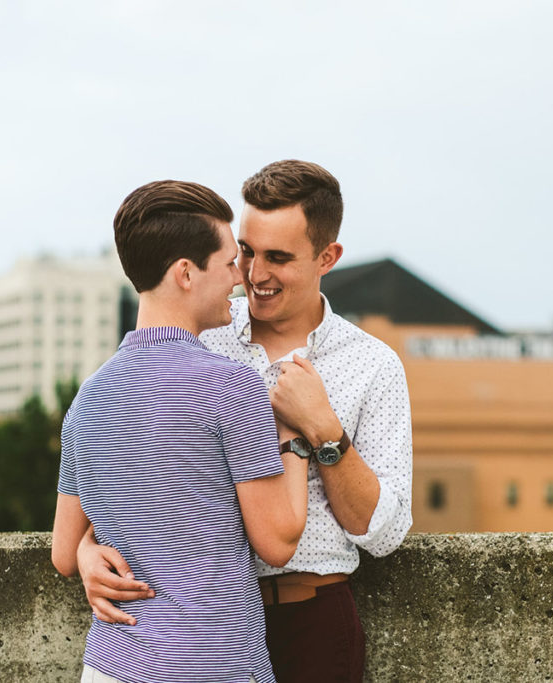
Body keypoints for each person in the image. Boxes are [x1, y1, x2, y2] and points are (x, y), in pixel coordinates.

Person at [76, 161, 413, 682]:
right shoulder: (196, 329)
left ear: (329, 257)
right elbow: (131, 463)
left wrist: (324, 431)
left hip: (312, 619)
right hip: (191, 626)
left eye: (278, 257)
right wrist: (86, 549)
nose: (254, 276)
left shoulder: (373, 365)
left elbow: (386, 533)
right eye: (248, 252)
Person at [52, 180, 309, 683]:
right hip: (209, 660)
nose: (241, 279)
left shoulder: (89, 397)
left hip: (112, 663)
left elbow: (64, 552)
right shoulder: (230, 385)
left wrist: (88, 551)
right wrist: (294, 433)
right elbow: (277, 542)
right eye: (231, 262)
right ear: (186, 273)